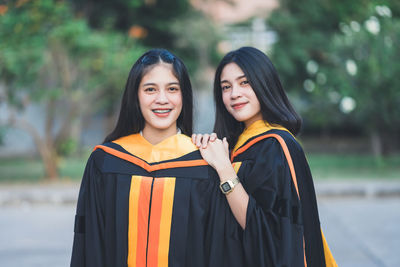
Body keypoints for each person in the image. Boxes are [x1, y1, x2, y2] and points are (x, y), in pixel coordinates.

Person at [70, 49, 234, 267]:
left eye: (172, 89)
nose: (162, 99)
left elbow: (217, 250)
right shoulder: (106, 161)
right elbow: (89, 243)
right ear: (135, 96)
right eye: (150, 89)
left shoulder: (204, 163)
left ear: (183, 95)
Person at [192, 47, 337, 267]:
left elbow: (267, 232)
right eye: (225, 87)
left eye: (244, 82)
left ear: (264, 84)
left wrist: (224, 170)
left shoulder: (277, 146)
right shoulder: (233, 145)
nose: (234, 94)